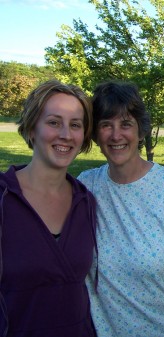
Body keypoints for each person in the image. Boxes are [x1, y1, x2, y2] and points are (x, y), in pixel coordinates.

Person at [77, 81, 164, 337]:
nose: (116, 135)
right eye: (106, 125)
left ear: (140, 131)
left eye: (125, 124)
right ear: (95, 133)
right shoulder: (85, 187)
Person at [0, 80, 97, 336]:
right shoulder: (3, 198)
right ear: (32, 128)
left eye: (75, 124)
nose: (66, 134)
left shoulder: (85, 201)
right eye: (54, 122)